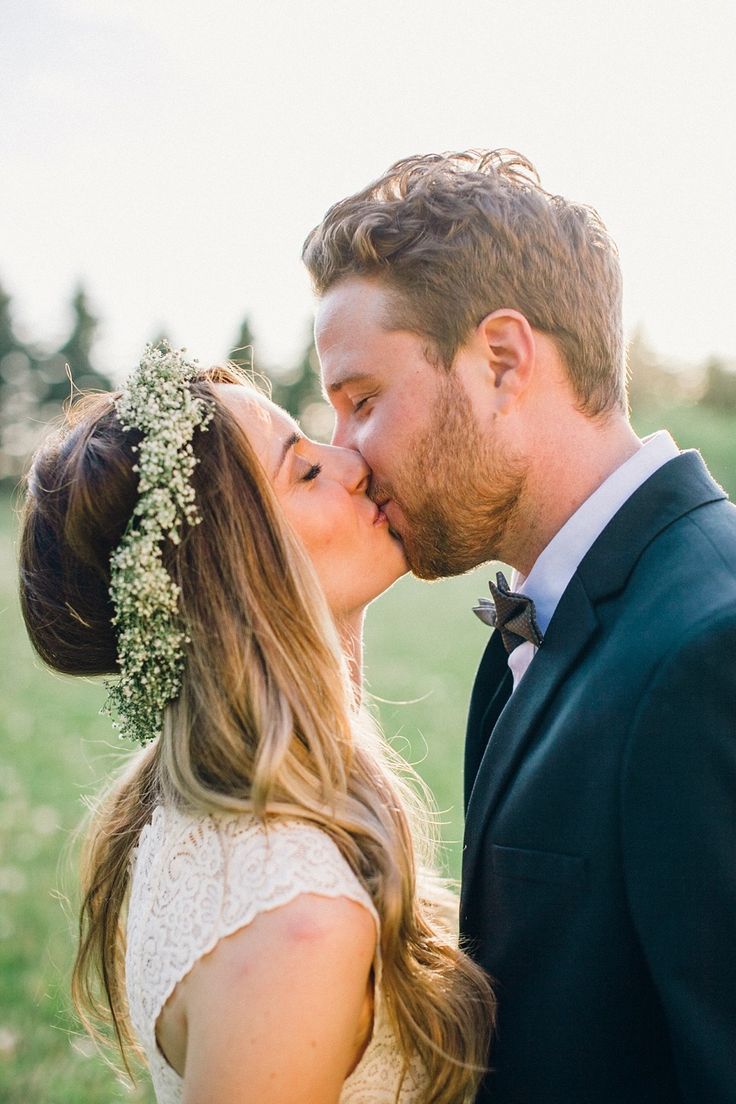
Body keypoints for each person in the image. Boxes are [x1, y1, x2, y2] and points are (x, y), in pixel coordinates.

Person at [303, 150, 736, 1103]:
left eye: (363, 401)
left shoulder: (713, 646)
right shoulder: (543, 611)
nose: (348, 459)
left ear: (502, 360)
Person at [18, 344, 494, 1104]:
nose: (351, 461)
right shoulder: (296, 927)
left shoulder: (191, 811)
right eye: (304, 469)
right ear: (235, 574)